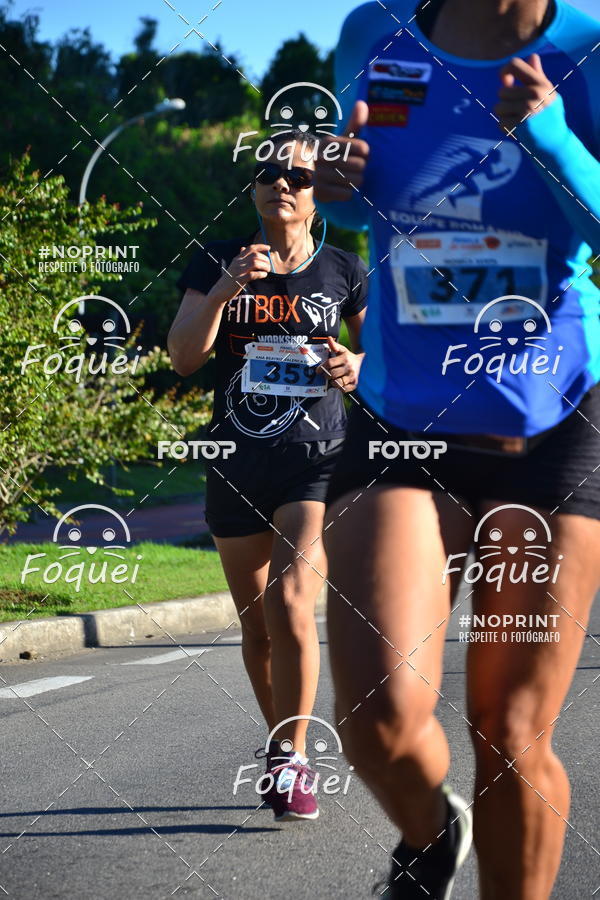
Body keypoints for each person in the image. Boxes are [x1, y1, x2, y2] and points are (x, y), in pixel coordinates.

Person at [314, 0, 600, 896]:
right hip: (403, 419)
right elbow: (377, 207)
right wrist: (340, 185)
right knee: (378, 721)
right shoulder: (374, 32)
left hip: (549, 422)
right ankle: (434, 834)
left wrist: (550, 136)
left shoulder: (588, 45)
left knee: (513, 734)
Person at [169, 130, 367, 821]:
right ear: (254, 189)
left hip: (316, 463)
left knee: (289, 603)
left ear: (320, 198)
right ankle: (281, 743)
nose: (281, 181)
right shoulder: (219, 259)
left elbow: (383, 358)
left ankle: (293, 761)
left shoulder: (344, 269)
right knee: (255, 627)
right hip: (234, 464)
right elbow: (184, 357)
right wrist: (227, 287)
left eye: (298, 176)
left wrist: (361, 367)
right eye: (268, 172)